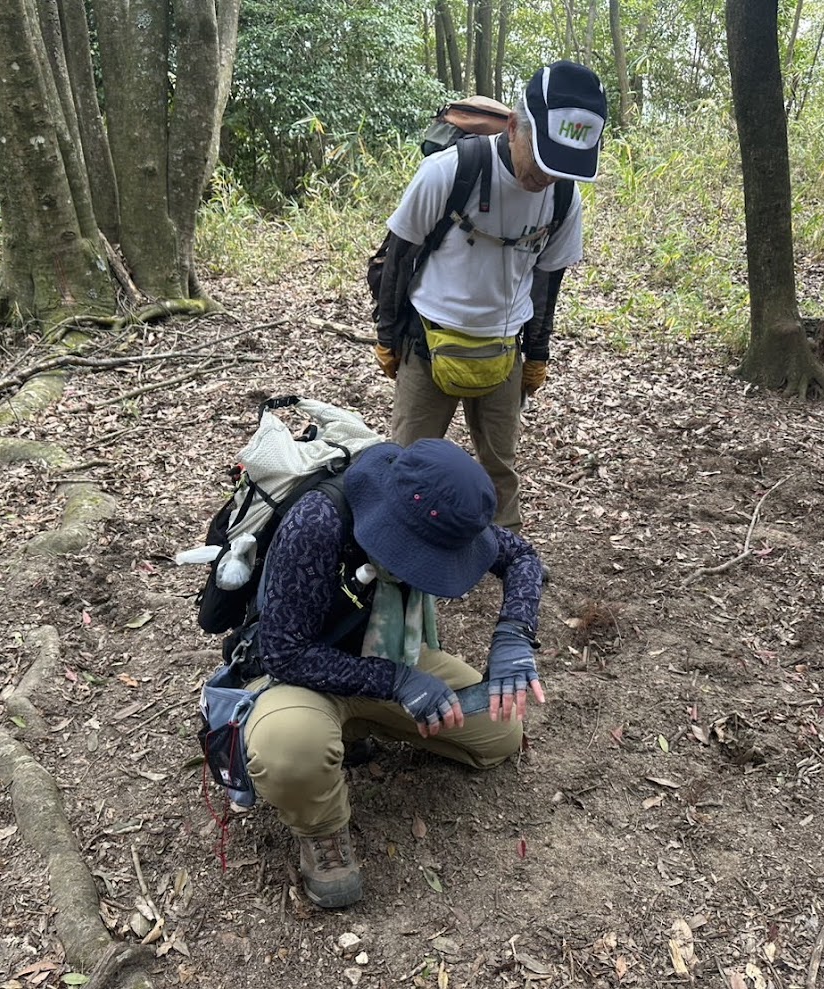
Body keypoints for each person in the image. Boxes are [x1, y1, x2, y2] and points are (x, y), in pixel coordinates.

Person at [243, 438, 546, 908]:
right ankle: (322, 833)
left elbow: (523, 557)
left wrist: (514, 635)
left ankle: (358, 725)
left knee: (500, 733)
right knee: (290, 748)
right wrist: (397, 683)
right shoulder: (318, 522)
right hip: (302, 676)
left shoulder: (446, 516)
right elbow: (283, 652)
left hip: (389, 651)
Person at [373, 61, 608, 531]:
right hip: (427, 341)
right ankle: (392, 551)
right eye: (541, 159)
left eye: (560, 167)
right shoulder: (448, 172)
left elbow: (547, 282)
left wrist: (537, 354)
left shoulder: (564, 197)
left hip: (505, 350)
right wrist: (387, 335)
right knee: (406, 461)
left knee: (500, 468)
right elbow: (398, 258)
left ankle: (505, 552)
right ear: (515, 127)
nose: (546, 177)